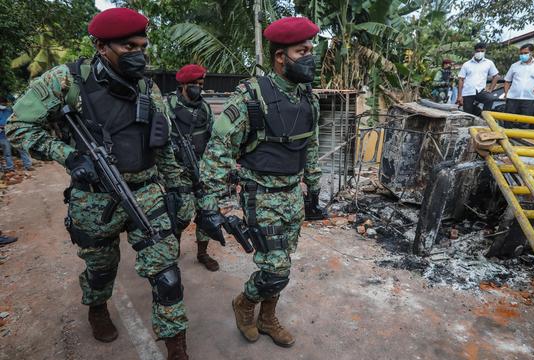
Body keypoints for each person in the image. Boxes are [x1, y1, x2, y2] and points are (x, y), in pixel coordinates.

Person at [6, 8, 189, 359]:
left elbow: (162, 143)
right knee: (101, 269)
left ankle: (177, 347)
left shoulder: (148, 89)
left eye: (142, 45)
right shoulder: (66, 80)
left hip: (145, 191)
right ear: (101, 47)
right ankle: (97, 306)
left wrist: (178, 190)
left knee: (167, 274)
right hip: (93, 198)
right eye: (128, 46)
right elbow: (18, 126)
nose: (139, 53)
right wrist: (69, 156)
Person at [195, 16, 327, 348]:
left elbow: (309, 144)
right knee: (275, 269)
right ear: (280, 56)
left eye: (312, 49)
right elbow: (217, 151)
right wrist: (208, 205)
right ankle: (245, 303)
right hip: (261, 196)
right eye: (302, 50)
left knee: (283, 259)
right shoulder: (251, 96)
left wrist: (314, 186)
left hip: (292, 195)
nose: (311, 56)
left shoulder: (307, 98)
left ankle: (268, 318)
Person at [165, 64, 220, 271]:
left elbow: (213, 137)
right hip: (177, 171)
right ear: (183, 85)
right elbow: (158, 141)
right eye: (194, 84)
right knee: (181, 213)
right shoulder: (168, 107)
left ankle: (202, 253)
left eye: (201, 84)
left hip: (202, 168)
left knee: (207, 210)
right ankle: (173, 248)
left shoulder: (204, 108)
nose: (198, 88)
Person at [503, 44, 534, 116]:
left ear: (531, 53)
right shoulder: (514, 65)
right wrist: (506, 94)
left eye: (525, 53)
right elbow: (507, 81)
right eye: (521, 53)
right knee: (508, 122)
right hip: (512, 98)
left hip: (529, 99)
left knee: (524, 123)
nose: (523, 55)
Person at [456, 42, 500, 115]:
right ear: (474, 51)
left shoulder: (489, 63)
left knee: (490, 99)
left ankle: (485, 117)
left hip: (480, 91)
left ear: (485, 51)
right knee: (467, 114)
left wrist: (490, 89)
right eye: (478, 51)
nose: (480, 53)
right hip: (467, 92)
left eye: (482, 51)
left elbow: (496, 76)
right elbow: (461, 80)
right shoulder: (467, 64)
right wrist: (459, 96)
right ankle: (476, 116)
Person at [0, 96, 32, 172]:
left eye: (5, 103)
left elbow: (16, 118)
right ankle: (10, 167)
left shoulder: (9, 110)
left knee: (22, 149)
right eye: (2, 104)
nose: (4, 105)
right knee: (7, 153)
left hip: (14, 134)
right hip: (3, 136)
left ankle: (27, 165)